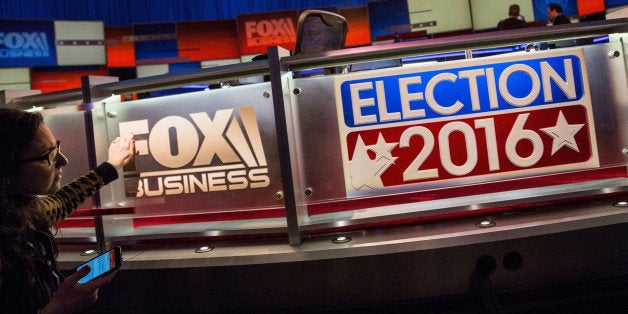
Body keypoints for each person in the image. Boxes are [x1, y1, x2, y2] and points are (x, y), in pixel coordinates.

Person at [0, 108, 135, 313]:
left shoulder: (23, 212)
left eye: (57, 147)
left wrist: (110, 166)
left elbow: (63, 201)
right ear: (7, 168)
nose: (63, 160)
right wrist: (57, 309)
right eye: (49, 155)